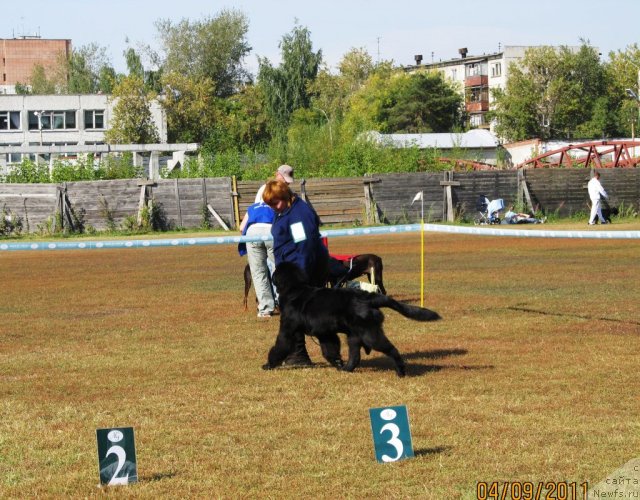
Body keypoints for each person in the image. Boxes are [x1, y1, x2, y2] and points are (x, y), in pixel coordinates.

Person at [262, 179, 329, 366]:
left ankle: (300, 355)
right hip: (290, 269)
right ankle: (297, 354)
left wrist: (300, 278)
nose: (273, 207)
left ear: (285, 196)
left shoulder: (299, 214)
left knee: (299, 313)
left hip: (303, 270)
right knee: (293, 312)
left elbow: (305, 247)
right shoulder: (283, 210)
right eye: (270, 204)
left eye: (275, 203)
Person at [238, 201, 277, 318]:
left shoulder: (252, 207)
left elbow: (241, 228)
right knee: (278, 268)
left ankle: (265, 309)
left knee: (258, 272)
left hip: (253, 233)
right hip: (271, 231)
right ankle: (282, 304)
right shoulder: (275, 204)